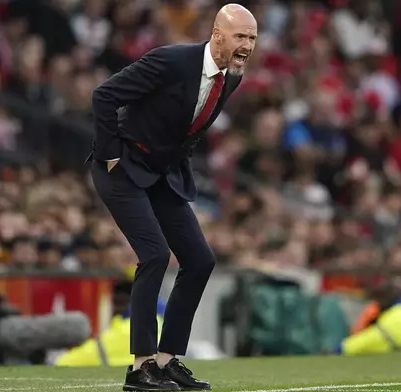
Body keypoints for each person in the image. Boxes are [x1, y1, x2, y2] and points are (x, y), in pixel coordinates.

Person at [88, 4, 257, 391]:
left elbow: (190, 125)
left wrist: (177, 161)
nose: (246, 45)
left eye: (251, 38)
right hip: (124, 165)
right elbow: (104, 96)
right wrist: (110, 154)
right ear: (217, 35)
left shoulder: (232, 76)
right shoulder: (170, 60)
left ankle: (165, 362)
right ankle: (139, 368)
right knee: (154, 254)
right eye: (239, 36)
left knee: (199, 260)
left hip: (164, 172)